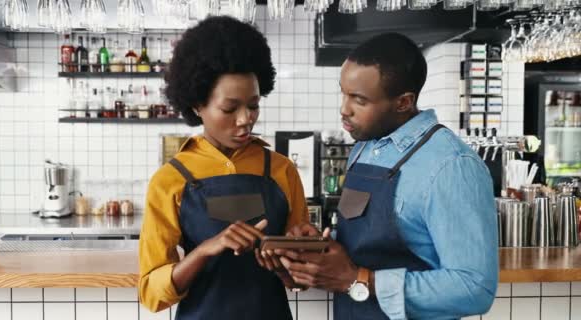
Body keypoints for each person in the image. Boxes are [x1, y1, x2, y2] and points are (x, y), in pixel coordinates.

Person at [277, 33, 498, 320]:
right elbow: (365, 244)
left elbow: (475, 288)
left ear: (403, 102)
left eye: (359, 99)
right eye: (343, 93)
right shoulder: (364, 148)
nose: (344, 109)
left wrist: (359, 279)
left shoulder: (451, 166)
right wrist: (318, 247)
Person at [138, 16, 308, 320]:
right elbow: (151, 292)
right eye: (230, 108)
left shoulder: (282, 170)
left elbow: (298, 280)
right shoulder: (170, 180)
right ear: (196, 106)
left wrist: (291, 263)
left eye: (253, 105)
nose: (246, 119)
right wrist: (205, 250)